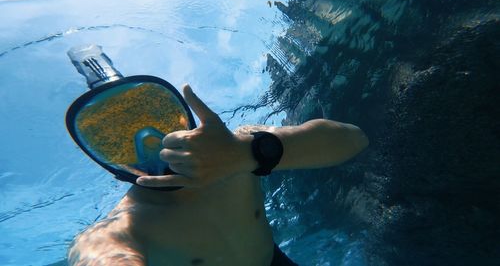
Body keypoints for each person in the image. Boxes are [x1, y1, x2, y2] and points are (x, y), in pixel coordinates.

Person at [67, 85, 369, 266]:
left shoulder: (240, 147)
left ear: (183, 119)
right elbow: (100, 256)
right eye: (117, 142)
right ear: (107, 162)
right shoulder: (117, 231)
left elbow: (354, 140)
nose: (150, 144)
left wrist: (248, 153)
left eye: (157, 118)